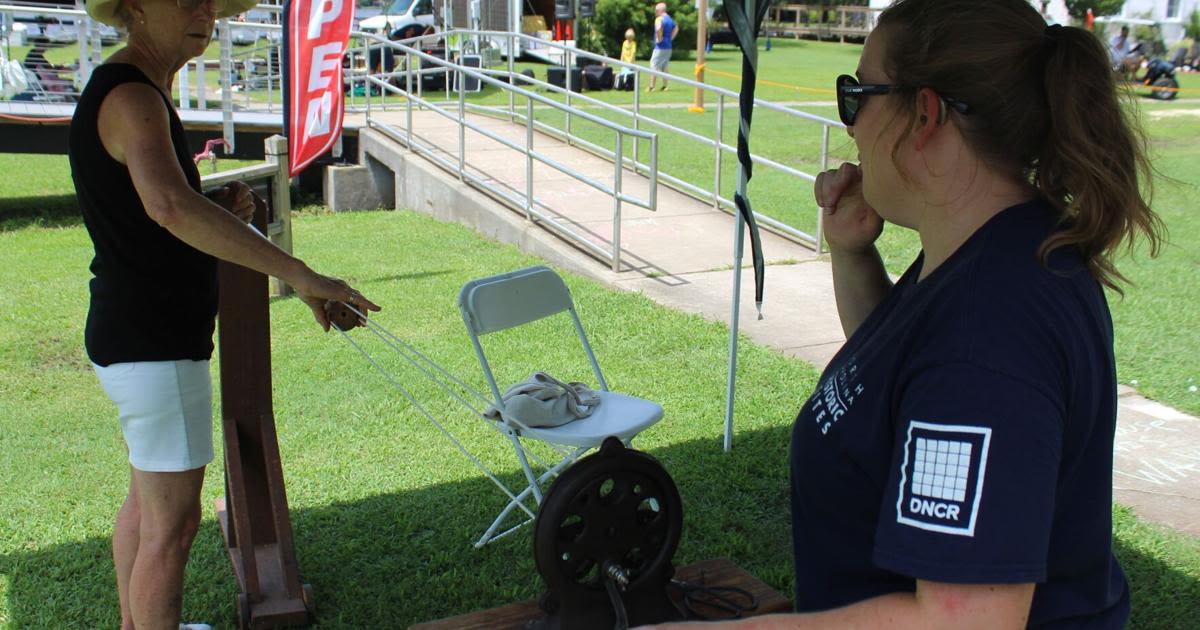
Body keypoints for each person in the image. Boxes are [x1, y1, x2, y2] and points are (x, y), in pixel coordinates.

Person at [648, 0, 1163, 628]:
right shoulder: (994, 245)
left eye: (857, 95)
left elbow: (962, 619)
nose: (851, 127)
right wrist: (852, 254)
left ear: (923, 113)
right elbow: (900, 384)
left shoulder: (990, 332)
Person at [70, 0, 381, 628]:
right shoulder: (132, 96)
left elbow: (159, 206)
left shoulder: (134, 88)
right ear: (133, 9)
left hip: (133, 334)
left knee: (146, 505)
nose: (205, 11)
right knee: (173, 527)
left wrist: (214, 202)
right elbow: (167, 208)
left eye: (211, 2)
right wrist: (301, 275)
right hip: (155, 343)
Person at [647, 2, 677, 91]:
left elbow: (658, 28)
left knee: (654, 65)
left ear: (661, 10)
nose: (655, 12)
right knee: (665, 66)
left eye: (656, 10)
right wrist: (671, 38)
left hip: (659, 47)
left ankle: (652, 86)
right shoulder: (669, 19)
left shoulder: (659, 19)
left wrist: (659, 38)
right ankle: (665, 86)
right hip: (668, 46)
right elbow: (676, 28)